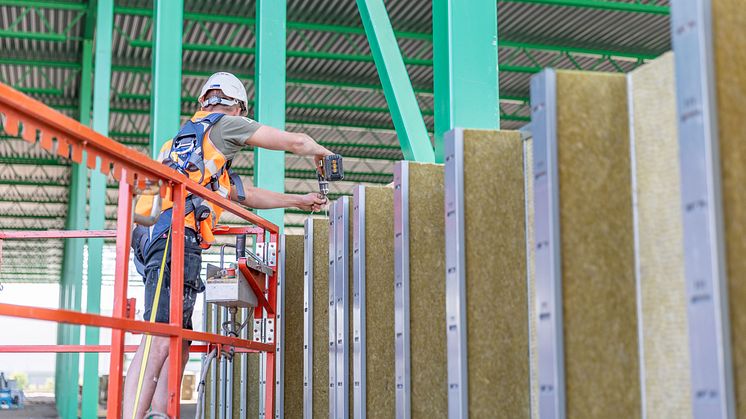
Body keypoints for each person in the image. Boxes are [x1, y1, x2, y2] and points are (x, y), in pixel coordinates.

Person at [123, 71, 334, 418]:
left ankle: (159, 413)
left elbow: (246, 195)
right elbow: (294, 141)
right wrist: (320, 153)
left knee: (180, 340)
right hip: (174, 238)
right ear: (237, 106)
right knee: (160, 335)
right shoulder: (224, 125)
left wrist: (298, 201)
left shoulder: (186, 148)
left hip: (157, 239)